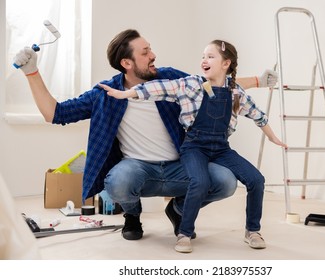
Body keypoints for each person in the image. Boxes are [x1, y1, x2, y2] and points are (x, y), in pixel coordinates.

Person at [12, 29, 279, 242]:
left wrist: (259, 80)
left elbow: (214, 85)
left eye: (150, 48)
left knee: (225, 181)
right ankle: (132, 214)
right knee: (118, 182)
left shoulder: (170, 79)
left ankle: (178, 209)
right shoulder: (104, 94)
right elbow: (54, 114)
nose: (153, 54)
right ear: (126, 63)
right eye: (145, 51)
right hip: (138, 168)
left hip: (180, 166)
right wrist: (32, 72)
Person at [99, 39, 287, 253]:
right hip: (194, 147)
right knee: (199, 181)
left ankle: (252, 231)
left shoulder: (236, 93)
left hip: (221, 148)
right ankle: (184, 234)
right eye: (203, 56)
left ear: (226, 64)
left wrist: (273, 137)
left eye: (210, 56)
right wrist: (125, 94)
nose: (204, 60)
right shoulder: (190, 85)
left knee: (256, 180)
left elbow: (258, 116)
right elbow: (156, 88)